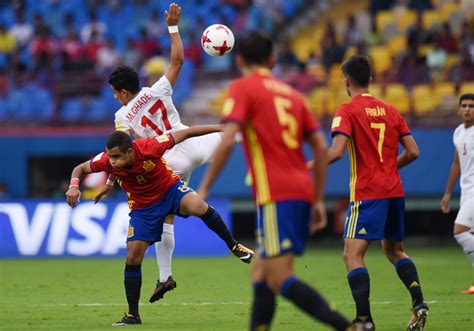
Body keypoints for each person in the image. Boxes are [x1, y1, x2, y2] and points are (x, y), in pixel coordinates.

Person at [198, 31, 365, 331]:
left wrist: (206, 186)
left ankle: (348, 328)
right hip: (299, 189)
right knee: (261, 274)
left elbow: (227, 139)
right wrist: (316, 198)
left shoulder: (242, 87)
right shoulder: (292, 95)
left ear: (238, 60)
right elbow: (317, 145)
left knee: (278, 276)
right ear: (273, 60)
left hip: (277, 194)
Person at [95, 3, 252, 303]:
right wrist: (173, 26)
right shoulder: (157, 90)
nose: (115, 96)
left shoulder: (122, 117)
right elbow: (178, 59)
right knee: (235, 135)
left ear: (122, 92)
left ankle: (165, 276)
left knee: (166, 214)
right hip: (194, 142)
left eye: (116, 92)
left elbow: (124, 153)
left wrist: (111, 182)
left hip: (168, 158)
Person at [65, 126, 241, 325]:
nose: (112, 161)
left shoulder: (149, 147)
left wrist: (220, 127)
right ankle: (133, 315)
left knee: (198, 205)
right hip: (143, 207)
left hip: (169, 190)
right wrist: (73, 185)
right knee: (133, 255)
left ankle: (234, 245)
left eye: (116, 156)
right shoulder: (106, 160)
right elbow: (79, 168)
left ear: (130, 152)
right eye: (110, 157)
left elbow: (187, 133)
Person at [327, 55, 428, 330]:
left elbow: (336, 152)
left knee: (352, 254)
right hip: (394, 190)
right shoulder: (391, 109)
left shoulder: (347, 110)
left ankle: (364, 320)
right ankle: (419, 302)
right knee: (395, 250)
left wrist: (308, 167)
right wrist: (388, 168)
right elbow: (414, 151)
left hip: (367, 193)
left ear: (346, 80)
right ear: (369, 79)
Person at [440, 93, 474, 295]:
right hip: (466, 190)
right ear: (459, 109)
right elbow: (456, 163)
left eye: (472, 105)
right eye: (465, 106)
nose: (468, 109)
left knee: (460, 231)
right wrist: (447, 192)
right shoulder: (458, 132)